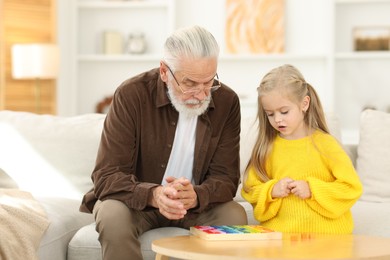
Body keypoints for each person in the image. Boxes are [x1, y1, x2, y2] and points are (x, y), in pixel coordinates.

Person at [80, 25, 247, 260]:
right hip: (137, 205)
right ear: (164, 71)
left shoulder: (227, 101)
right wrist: (155, 194)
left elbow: (226, 179)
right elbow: (107, 176)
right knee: (111, 213)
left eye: (209, 82)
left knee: (234, 215)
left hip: (193, 207)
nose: (201, 94)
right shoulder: (131, 95)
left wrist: (197, 195)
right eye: (189, 83)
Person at [241, 64, 362, 234]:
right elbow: (250, 189)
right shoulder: (267, 147)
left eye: (284, 112)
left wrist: (312, 189)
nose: (277, 120)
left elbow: (351, 187)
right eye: (270, 114)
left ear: (304, 104)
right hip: (280, 240)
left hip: (327, 240)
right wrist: (272, 190)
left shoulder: (326, 144)